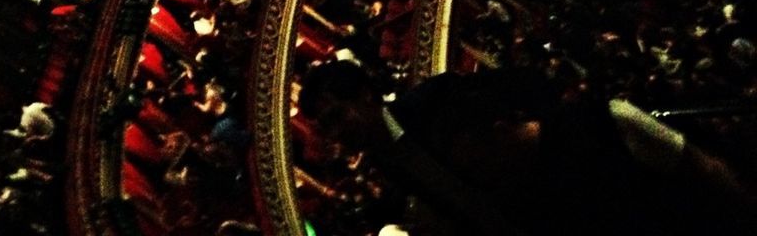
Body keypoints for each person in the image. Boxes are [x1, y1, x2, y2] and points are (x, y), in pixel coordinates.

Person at [300, 60, 757, 236]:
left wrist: (544, 127)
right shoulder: (386, 159)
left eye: (337, 115)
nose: (337, 132)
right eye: (326, 126)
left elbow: (525, 85)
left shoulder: (437, 103)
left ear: (366, 95)